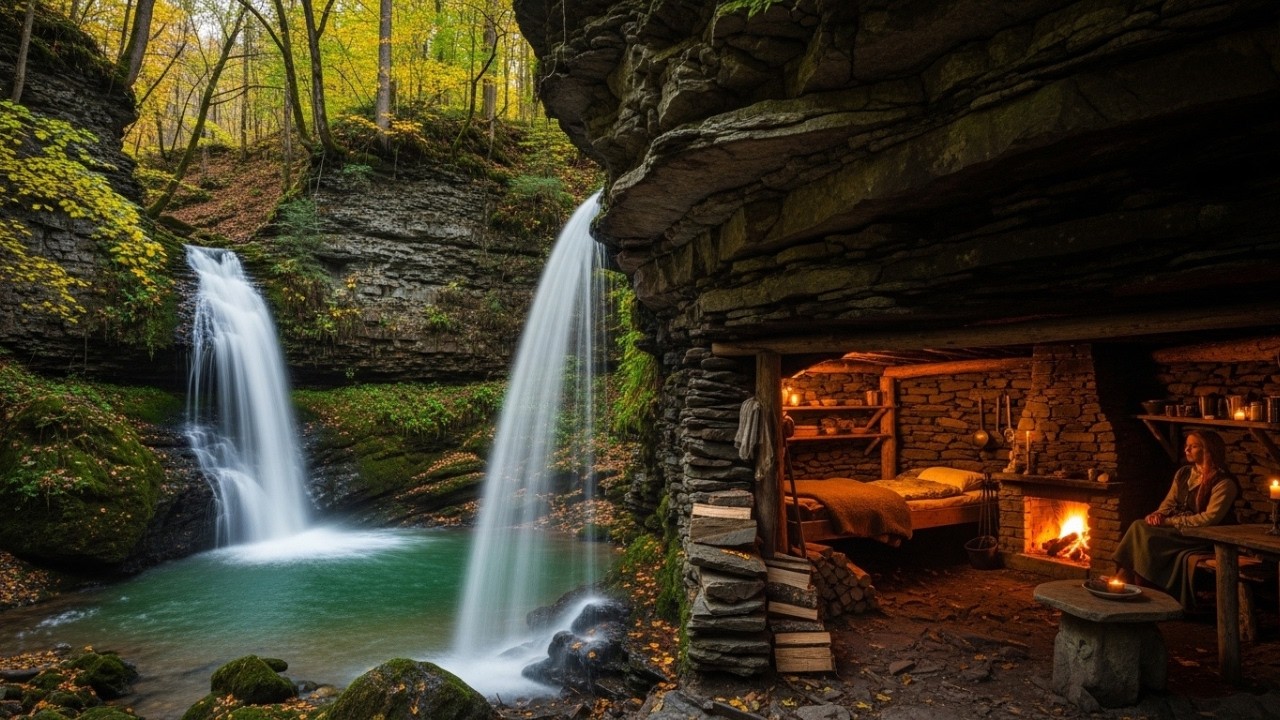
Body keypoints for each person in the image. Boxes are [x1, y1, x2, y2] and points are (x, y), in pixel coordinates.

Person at [1113, 429, 1240, 607]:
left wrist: (1169, 522)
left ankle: (1134, 584)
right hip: (1180, 529)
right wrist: (1158, 514)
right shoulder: (1184, 474)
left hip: (1203, 536)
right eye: (1187, 446)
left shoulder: (1224, 483)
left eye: (1193, 446)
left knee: (1145, 534)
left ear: (1209, 450)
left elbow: (1209, 519)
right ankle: (1131, 582)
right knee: (1140, 525)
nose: (1187, 450)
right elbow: (1169, 501)